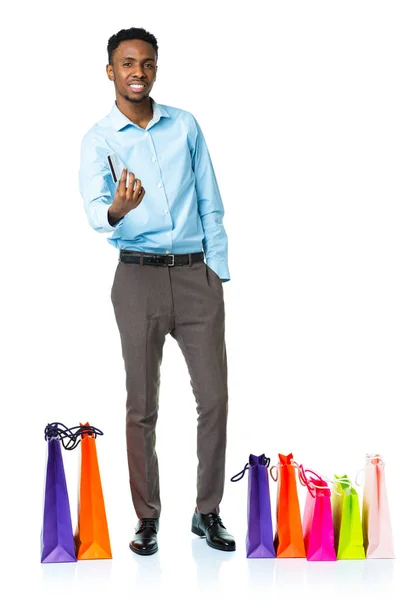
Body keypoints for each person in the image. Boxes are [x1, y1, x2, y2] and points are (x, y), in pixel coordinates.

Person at [78, 27, 235, 556]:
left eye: (146, 63)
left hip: (196, 277)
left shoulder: (185, 126)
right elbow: (98, 210)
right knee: (141, 405)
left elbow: (210, 198)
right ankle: (147, 518)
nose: (137, 72)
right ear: (110, 71)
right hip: (137, 278)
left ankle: (206, 511)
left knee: (214, 399)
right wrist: (118, 210)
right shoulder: (99, 139)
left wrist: (217, 271)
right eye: (126, 63)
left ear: (155, 69)